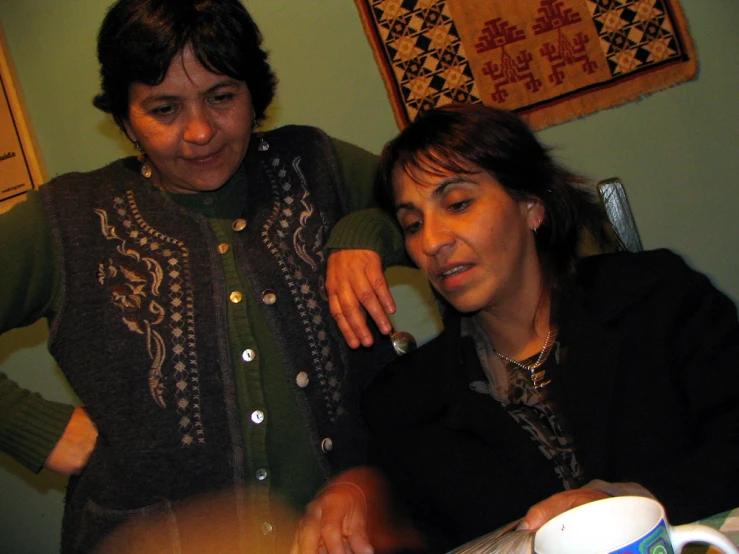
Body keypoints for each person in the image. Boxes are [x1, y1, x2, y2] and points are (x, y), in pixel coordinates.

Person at [0, 0, 407, 551]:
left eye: (221, 98)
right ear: (124, 119)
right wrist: (29, 424)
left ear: (254, 94)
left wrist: (364, 232)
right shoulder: (70, 219)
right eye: (164, 109)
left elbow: (441, 207)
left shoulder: (313, 166)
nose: (199, 132)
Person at [293, 103, 739, 553]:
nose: (432, 242)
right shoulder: (406, 403)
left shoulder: (656, 299)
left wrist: (632, 501)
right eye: (413, 224)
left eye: (458, 204)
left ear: (531, 205)